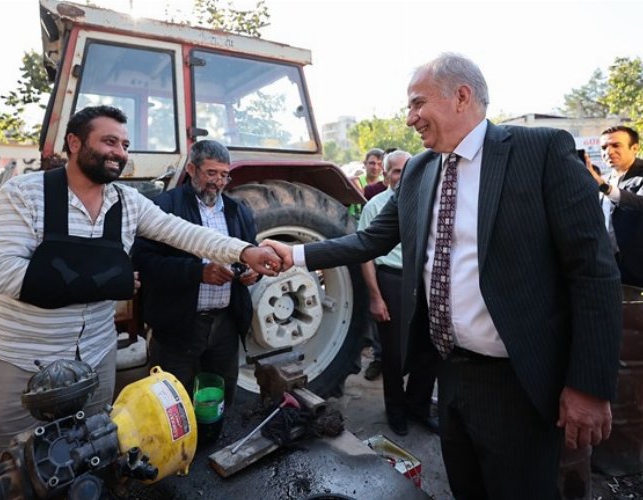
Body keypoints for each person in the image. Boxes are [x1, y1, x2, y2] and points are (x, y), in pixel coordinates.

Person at [261, 53, 621, 499]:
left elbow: (594, 272)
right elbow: (369, 240)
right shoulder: (418, 170)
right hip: (449, 373)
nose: (410, 118)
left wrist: (588, 385)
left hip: (520, 383)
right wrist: (294, 253)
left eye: (417, 104)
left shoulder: (540, 151)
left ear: (461, 97)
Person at [0, 106, 280, 468]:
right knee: (5, 468)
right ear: (74, 142)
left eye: (124, 144)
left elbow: (186, 234)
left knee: (89, 459)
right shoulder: (24, 194)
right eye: (109, 141)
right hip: (21, 362)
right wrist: (110, 280)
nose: (119, 152)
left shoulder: (128, 201)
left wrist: (244, 250)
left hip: (96, 359)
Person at [132, 140, 259, 404]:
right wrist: (197, 273)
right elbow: (144, 262)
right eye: (211, 173)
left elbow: (251, 252)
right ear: (191, 168)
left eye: (224, 175)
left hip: (225, 324)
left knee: (219, 396)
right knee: (171, 402)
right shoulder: (164, 207)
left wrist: (251, 274)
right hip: (178, 326)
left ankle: (213, 442)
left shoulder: (238, 211)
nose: (219, 182)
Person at [359, 150, 438, 437]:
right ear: (385, 175)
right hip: (391, 281)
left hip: (425, 280)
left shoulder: (427, 201)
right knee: (394, 353)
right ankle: (395, 410)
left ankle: (418, 407)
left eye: (408, 170)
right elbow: (365, 255)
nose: (402, 177)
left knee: (430, 349)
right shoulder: (375, 206)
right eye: (395, 171)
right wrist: (375, 296)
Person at [584, 125, 643, 287]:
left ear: (635, 148)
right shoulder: (605, 178)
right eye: (604, 147)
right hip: (610, 264)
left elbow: (639, 203)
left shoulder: (604, 183)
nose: (608, 152)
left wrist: (604, 187)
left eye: (616, 145)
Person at [348, 148, 384, 219]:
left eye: (379, 164)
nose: (375, 167)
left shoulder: (385, 184)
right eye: (372, 163)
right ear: (365, 164)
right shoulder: (355, 182)